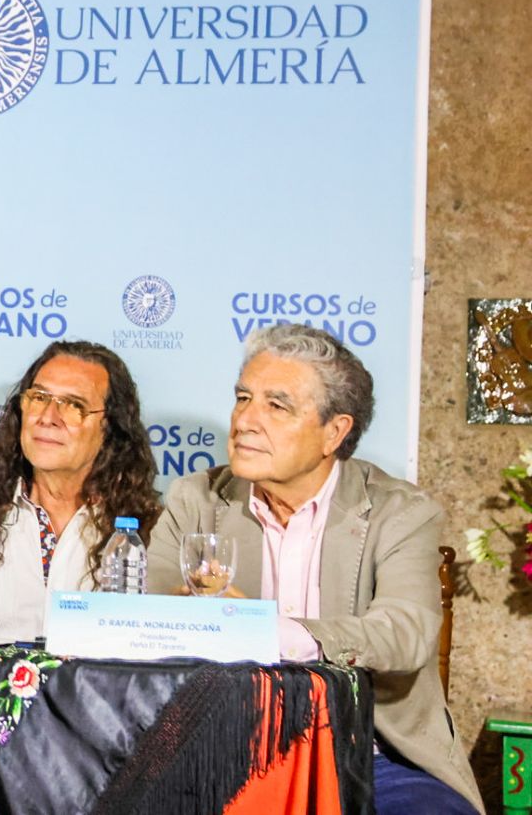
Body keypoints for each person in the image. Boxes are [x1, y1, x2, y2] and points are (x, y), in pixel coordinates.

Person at [146, 324, 483, 814]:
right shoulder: (196, 500)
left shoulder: (400, 512)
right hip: (227, 752)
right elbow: (150, 618)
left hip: (370, 753)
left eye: (276, 406)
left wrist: (271, 632)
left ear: (335, 431)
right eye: (243, 398)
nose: (244, 421)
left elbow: (404, 634)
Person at [0, 340, 160, 643]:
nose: (48, 416)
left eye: (75, 405)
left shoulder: (149, 533)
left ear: (111, 428)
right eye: (39, 397)